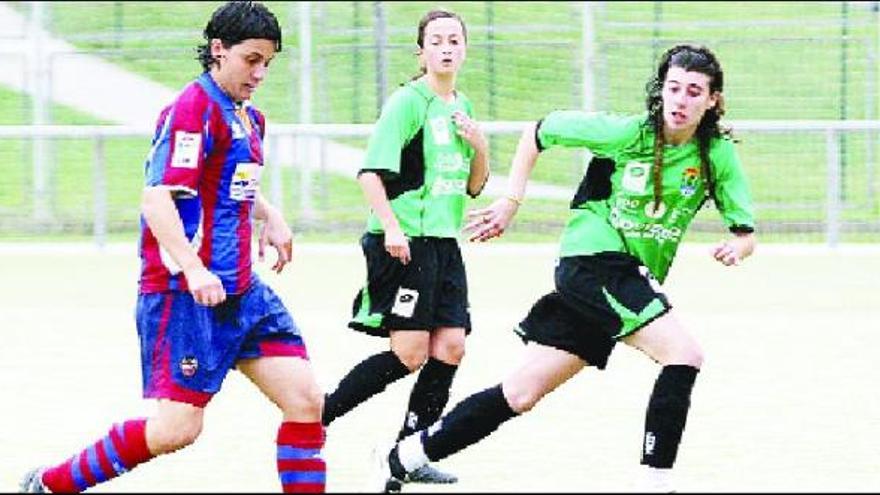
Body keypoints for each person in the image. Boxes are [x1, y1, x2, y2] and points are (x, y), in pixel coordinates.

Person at [374, 43, 756, 493]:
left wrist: (738, 245)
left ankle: (403, 457)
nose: (680, 100)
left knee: (520, 394)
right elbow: (538, 131)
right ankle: (657, 484)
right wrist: (510, 201)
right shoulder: (627, 133)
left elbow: (745, 231)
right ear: (661, 91)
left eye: (694, 92)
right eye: (673, 88)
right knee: (685, 354)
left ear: (712, 100)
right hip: (594, 264)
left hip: (615, 283)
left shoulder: (716, 156)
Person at [19, 2, 326, 493]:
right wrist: (194, 268)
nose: (261, 72)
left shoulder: (248, 117)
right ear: (218, 51)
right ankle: (52, 484)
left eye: (268, 62)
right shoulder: (193, 110)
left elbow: (229, 179)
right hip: (185, 296)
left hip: (243, 292)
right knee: (176, 430)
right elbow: (156, 197)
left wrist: (268, 215)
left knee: (307, 401)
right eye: (252, 60)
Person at [319, 8, 489, 486]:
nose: (447, 47)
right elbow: (370, 174)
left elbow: (475, 186)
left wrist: (480, 145)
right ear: (422, 51)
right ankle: (318, 417)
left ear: (465, 48)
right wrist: (392, 228)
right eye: (436, 40)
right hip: (405, 242)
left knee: (451, 347)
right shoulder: (408, 103)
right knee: (410, 351)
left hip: (443, 244)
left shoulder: (464, 107)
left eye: (455, 39)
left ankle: (408, 454)